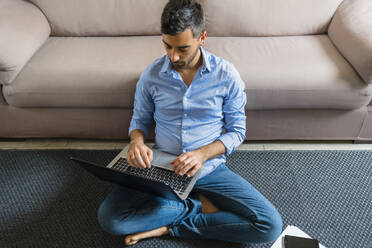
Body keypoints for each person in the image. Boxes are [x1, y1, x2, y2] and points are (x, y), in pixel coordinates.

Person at [97, 0, 282, 246]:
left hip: (208, 169)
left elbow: (237, 131)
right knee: (110, 220)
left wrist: (202, 154)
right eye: (167, 46)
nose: (173, 56)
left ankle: (170, 224)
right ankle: (195, 206)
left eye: (182, 48)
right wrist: (136, 143)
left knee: (269, 225)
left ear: (202, 37)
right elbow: (139, 121)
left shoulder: (226, 76)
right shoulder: (151, 75)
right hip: (159, 168)